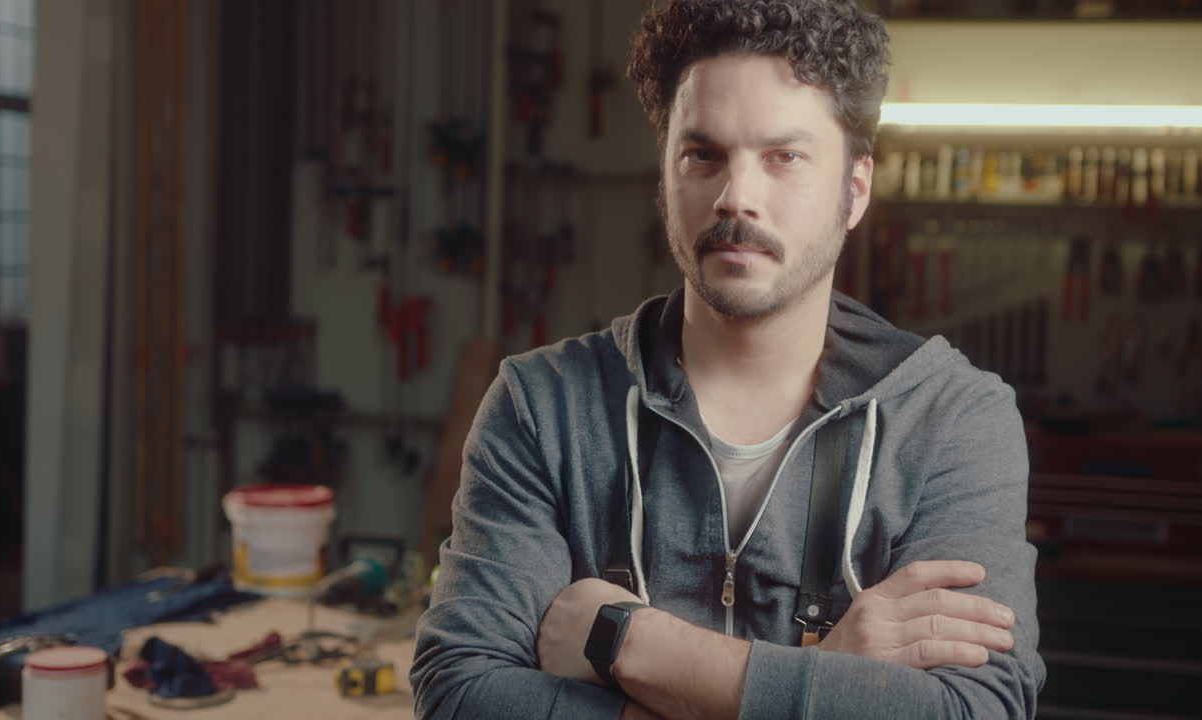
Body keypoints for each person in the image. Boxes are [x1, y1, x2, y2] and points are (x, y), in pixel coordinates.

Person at [410, 0, 1045, 717]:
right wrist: (824, 681)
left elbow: (977, 711)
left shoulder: (952, 420)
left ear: (855, 189)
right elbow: (461, 694)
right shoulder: (543, 407)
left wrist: (632, 642)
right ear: (665, 175)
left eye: (785, 157)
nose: (736, 197)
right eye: (702, 155)